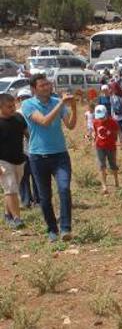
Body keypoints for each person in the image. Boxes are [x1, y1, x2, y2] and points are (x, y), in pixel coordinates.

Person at [21, 74, 77, 242]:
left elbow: (71, 125)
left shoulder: (55, 102)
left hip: (60, 155)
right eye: (42, 85)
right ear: (34, 89)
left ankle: (65, 228)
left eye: (48, 84)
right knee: (45, 196)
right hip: (38, 157)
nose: (47, 87)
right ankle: (52, 229)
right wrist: (61, 103)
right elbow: (44, 121)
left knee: (64, 189)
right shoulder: (27, 104)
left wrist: (73, 107)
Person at [0, 93, 28, 229]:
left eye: (14, 106)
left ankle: (7, 214)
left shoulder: (18, 118)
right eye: (9, 106)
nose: (13, 108)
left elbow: (28, 134)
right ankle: (17, 218)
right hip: (3, 161)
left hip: (19, 159)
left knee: (12, 188)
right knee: (10, 188)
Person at [15, 88, 38, 209]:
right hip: (21, 150)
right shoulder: (16, 114)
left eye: (27, 97)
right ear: (18, 99)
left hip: (35, 148)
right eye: (22, 98)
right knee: (23, 177)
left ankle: (38, 201)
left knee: (36, 176)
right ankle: (25, 201)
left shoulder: (36, 111)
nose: (24, 100)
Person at [92, 105, 119, 194]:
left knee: (113, 165)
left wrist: (119, 141)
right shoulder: (95, 121)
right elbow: (95, 132)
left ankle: (116, 181)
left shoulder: (112, 122)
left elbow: (117, 132)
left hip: (111, 147)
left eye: (103, 117)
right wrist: (93, 138)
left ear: (106, 113)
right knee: (101, 166)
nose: (101, 119)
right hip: (99, 147)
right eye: (99, 117)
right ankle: (104, 186)